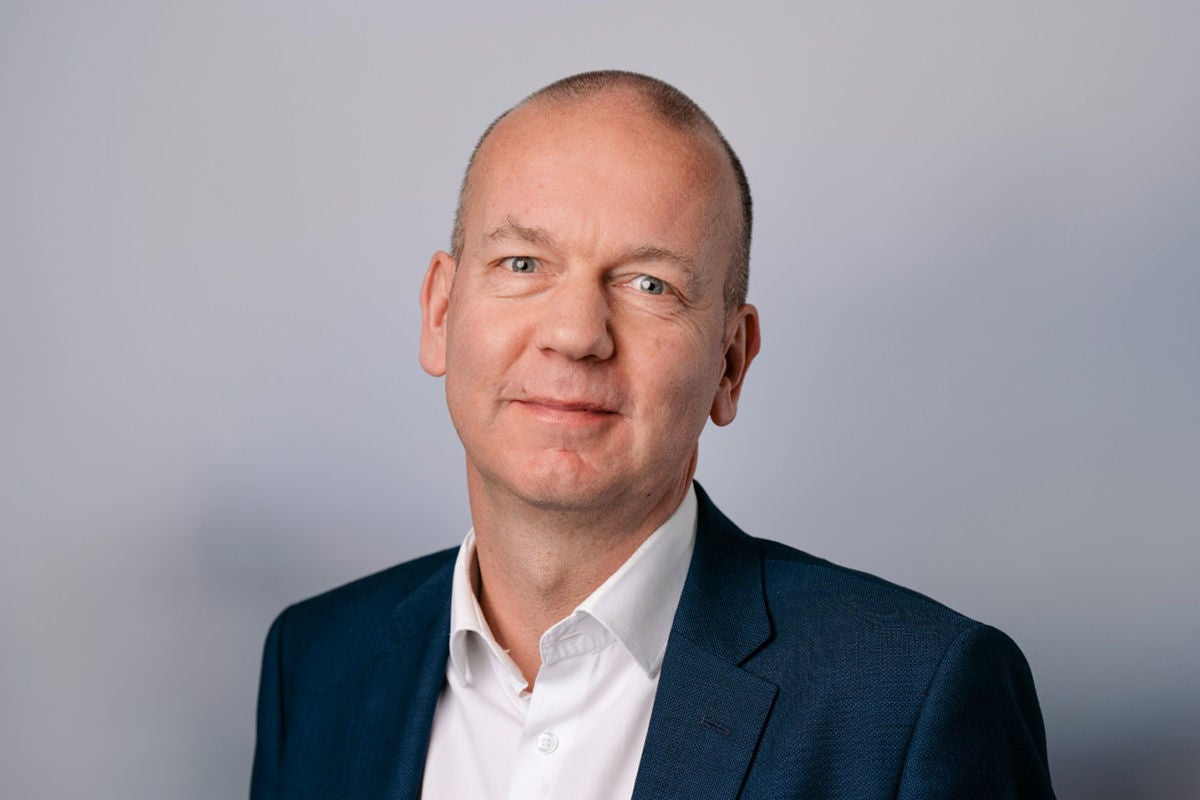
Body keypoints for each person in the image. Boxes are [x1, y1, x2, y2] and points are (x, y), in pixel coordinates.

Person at [250, 70, 1056, 799]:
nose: (575, 334)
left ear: (730, 363)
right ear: (440, 313)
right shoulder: (316, 663)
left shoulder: (914, 698)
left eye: (649, 284)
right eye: (523, 264)